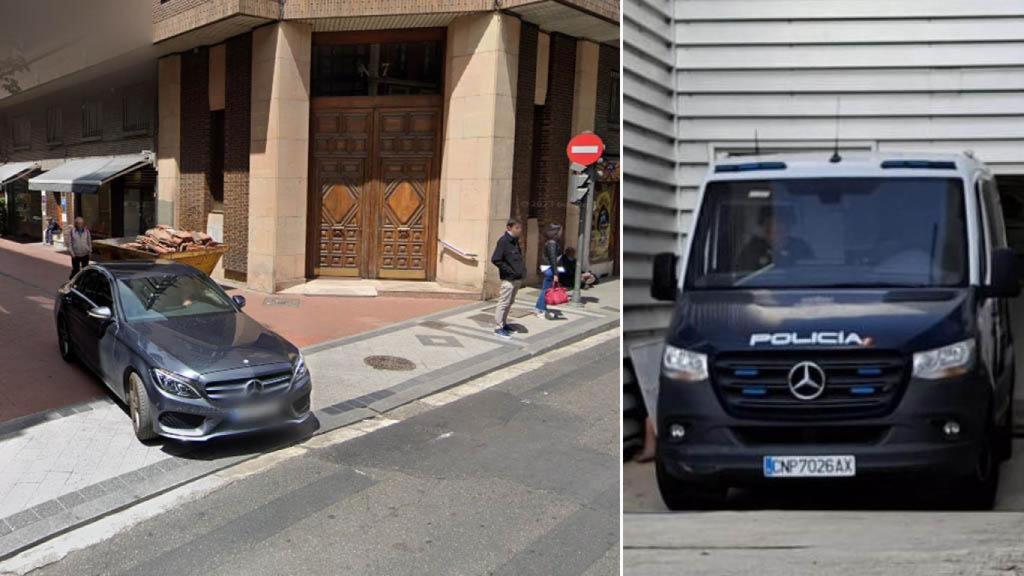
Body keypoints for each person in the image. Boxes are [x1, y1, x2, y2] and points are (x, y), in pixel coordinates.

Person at [736, 207, 813, 271]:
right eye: (772, 230)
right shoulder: (752, 250)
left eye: (782, 230)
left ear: (787, 229)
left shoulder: (800, 248)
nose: (778, 235)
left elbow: (810, 273)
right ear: (765, 230)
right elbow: (741, 276)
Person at [491, 218, 526, 339]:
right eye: (517, 228)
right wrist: (510, 272)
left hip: (516, 278)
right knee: (504, 302)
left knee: (510, 302)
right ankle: (498, 327)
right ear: (509, 228)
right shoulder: (504, 241)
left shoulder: (515, 241)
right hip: (509, 279)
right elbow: (496, 259)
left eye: (520, 228)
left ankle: (504, 324)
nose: (520, 230)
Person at [535, 223, 563, 318]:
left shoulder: (550, 243)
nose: (561, 233)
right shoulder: (552, 244)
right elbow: (553, 259)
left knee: (546, 289)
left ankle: (541, 308)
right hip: (549, 268)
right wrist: (555, 273)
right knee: (546, 290)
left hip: (548, 268)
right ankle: (541, 310)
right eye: (560, 231)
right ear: (555, 233)